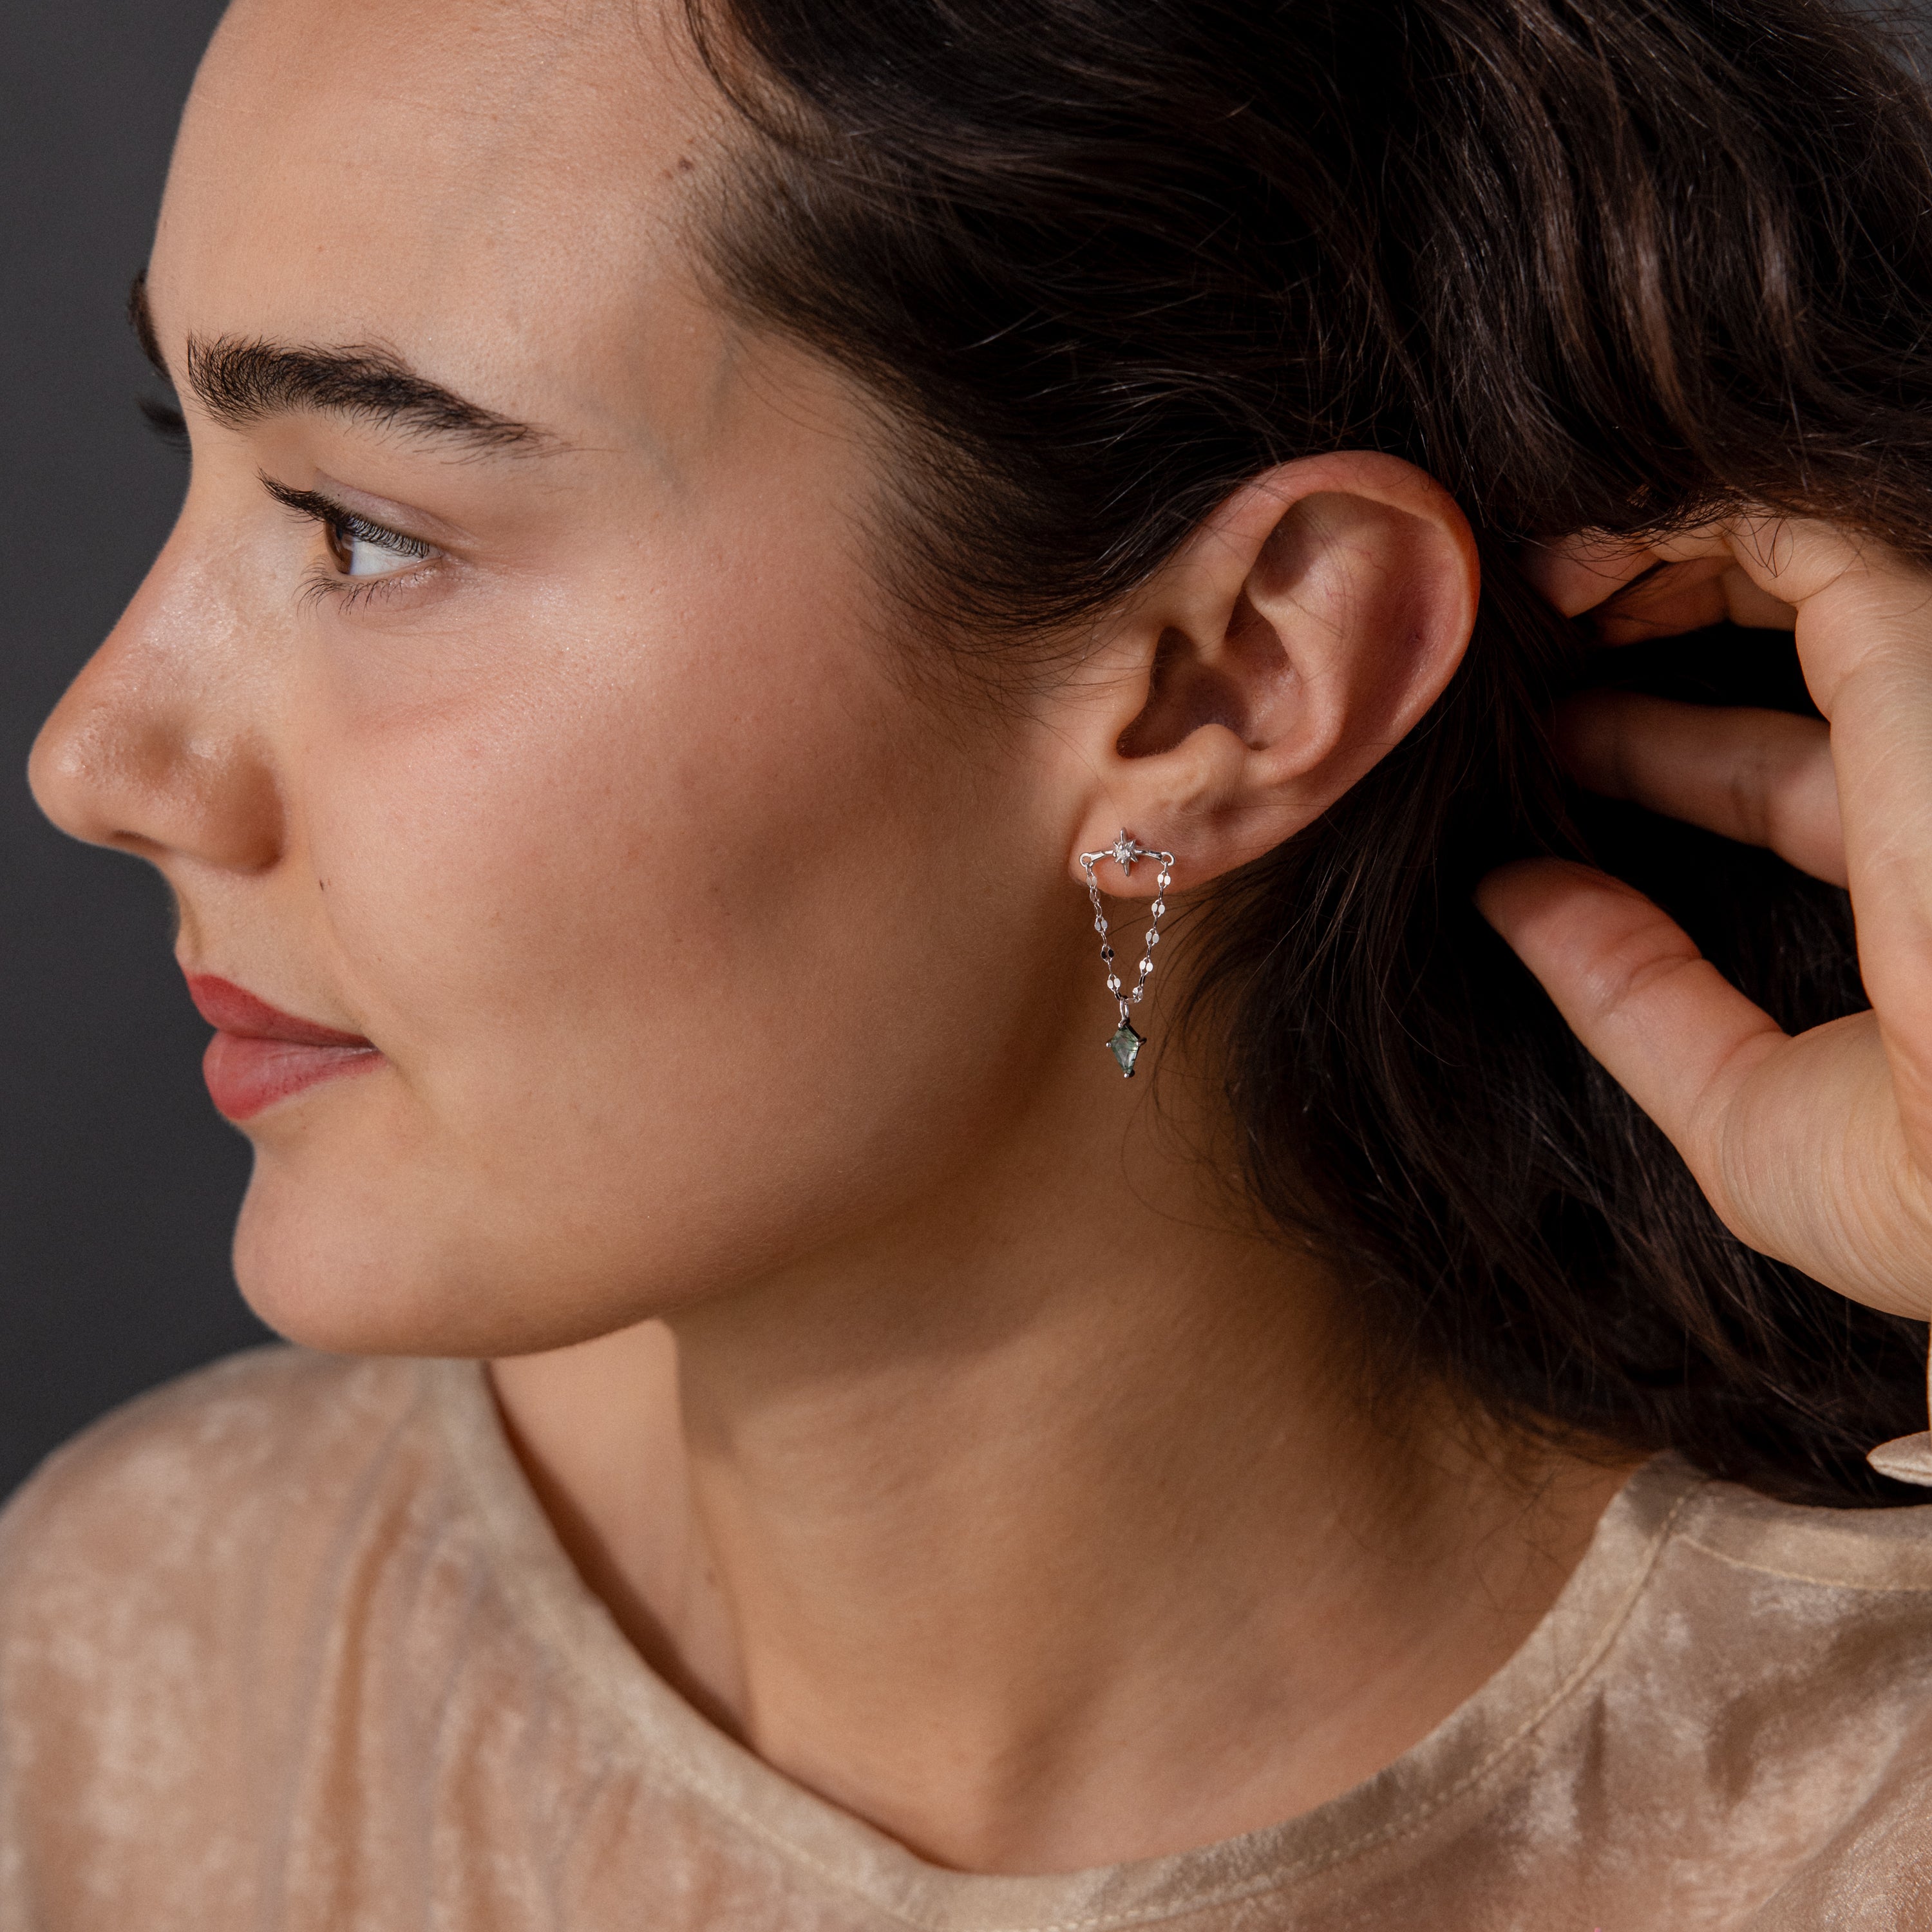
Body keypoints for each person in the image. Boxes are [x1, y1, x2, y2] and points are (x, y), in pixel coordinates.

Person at [5, 0, 1932, 1920]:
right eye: (193, 447)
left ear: (1236, 673)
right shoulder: (144, 1682)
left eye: (360, 528)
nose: (92, 760)